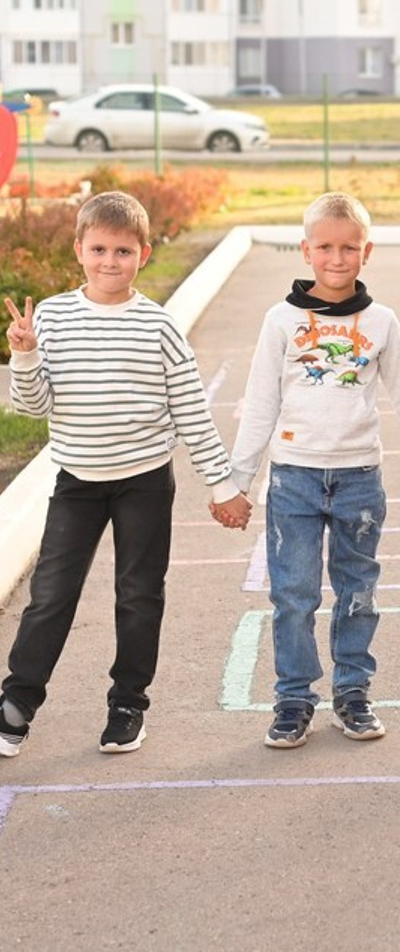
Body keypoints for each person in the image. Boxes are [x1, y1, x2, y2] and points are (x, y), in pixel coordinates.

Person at [0, 191, 251, 759]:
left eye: (122, 251)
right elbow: (34, 407)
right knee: (50, 595)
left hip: (144, 481)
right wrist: (26, 355)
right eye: (98, 250)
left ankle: (128, 705)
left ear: (144, 254)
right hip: (77, 482)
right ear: (78, 250)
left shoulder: (158, 325)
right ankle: (16, 702)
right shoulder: (53, 317)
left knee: (138, 595)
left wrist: (223, 484)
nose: (109, 261)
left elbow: (191, 409)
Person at [229, 191, 400, 748]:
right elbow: (260, 404)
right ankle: (293, 698)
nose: (337, 258)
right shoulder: (280, 320)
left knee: (358, 592)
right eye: (325, 247)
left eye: (349, 248)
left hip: (358, 479)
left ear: (366, 252)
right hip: (294, 479)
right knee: (294, 596)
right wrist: (236, 482)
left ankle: (353, 693)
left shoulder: (381, 322)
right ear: (305, 251)